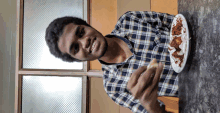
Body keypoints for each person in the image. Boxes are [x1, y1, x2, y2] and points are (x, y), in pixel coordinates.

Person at [45, 11, 178, 113]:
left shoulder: (129, 20)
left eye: (81, 32)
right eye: (75, 48)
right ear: (77, 59)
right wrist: (151, 106)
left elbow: (181, 22)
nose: (85, 41)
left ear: (88, 25)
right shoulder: (113, 87)